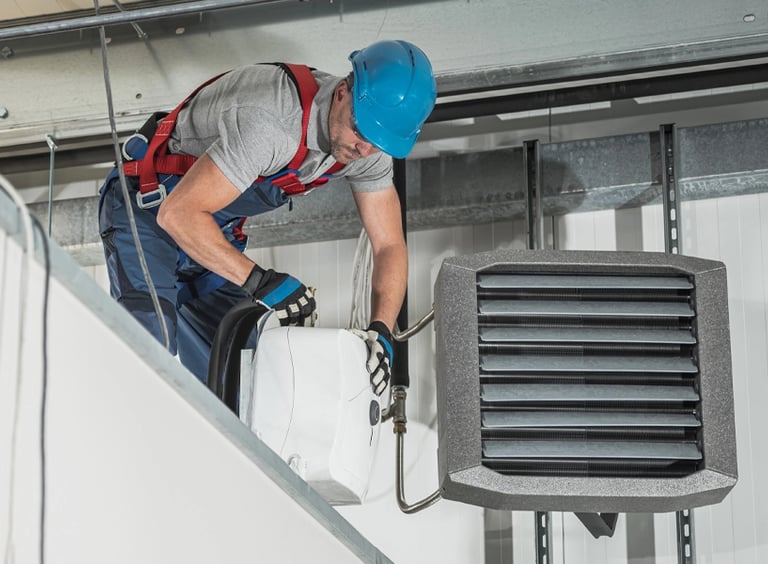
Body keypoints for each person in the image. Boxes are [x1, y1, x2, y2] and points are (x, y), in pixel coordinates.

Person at [97, 40, 437, 394]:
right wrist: (260, 282)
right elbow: (178, 214)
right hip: (149, 210)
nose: (364, 149)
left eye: (378, 143)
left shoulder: (367, 150)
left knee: (248, 373)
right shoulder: (272, 122)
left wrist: (381, 332)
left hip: (207, 228)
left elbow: (389, 245)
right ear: (342, 93)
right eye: (360, 131)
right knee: (151, 352)